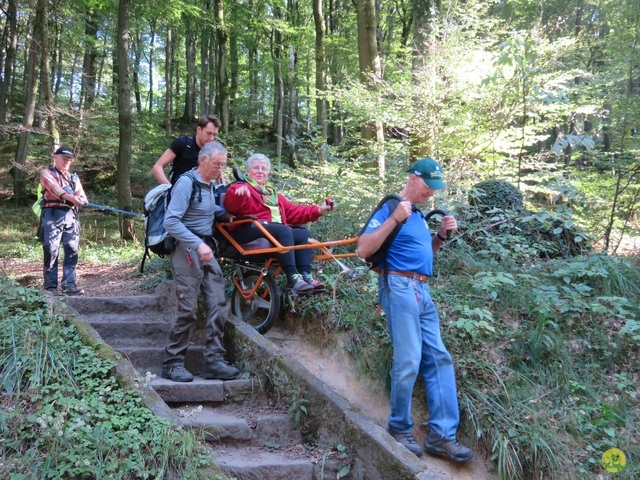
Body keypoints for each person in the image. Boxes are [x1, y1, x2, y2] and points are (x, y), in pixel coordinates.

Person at [356, 158, 473, 462]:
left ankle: (442, 436)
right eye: (427, 187)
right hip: (398, 287)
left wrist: (441, 237)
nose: (431, 194)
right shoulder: (391, 207)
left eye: (435, 188)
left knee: (439, 358)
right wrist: (394, 218)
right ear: (412, 178)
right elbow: (363, 250)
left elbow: (424, 257)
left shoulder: (419, 216)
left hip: (422, 289)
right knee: (409, 358)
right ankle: (398, 427)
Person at [161, 141, 240, 383]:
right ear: (202, 160)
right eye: (216, 164)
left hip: (206, 250)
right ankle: (173, 363)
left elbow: (204, 209)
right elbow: (171, 222)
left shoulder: (210, 185)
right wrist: (198, 244)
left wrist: (224, 213)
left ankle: (214, 361)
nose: (220, 169)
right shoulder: (186, 183)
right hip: (187, 249)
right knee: (188, 310)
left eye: (223, 165)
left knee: (219, 302)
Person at [223, 154, 334, 295]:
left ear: (268, 174)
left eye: (264, 169)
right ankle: (292, 277)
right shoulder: (241, 187)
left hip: (273, 232)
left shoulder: (274, 195)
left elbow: (295, 212)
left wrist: (319, 209)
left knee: (304, 234)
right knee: (283, 230)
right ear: (248, 171)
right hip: (247, 231)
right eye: (256, 168)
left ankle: (304, 274)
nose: (260, 171)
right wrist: (240, 195)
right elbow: (232, 206)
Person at [39, 146, 88, 296]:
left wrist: (81, 201)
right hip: (51, 214)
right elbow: (55, 189)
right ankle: (50, 288)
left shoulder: (74, 177)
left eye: (69, 159)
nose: (67, 161)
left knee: (72, 249)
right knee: (51, 249)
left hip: (70, 216)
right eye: (64, 158)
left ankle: (69, 285)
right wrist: (71, 198)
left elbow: (83, 196)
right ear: (55, 157)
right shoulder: (46, 173)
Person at [152, 114, 222, 185]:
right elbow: (157, 167)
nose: (211, 138)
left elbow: (219, 175)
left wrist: (224, 191)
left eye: (214, 135)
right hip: (180, 193)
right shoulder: (183, 143)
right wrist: (169, 189)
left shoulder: (212, 152)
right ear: (199, 129)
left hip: (202, 193)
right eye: (209, 133)